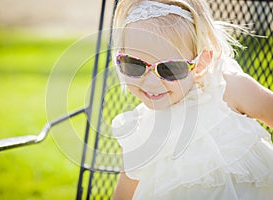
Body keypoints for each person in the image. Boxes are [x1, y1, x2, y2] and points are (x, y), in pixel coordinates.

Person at [110, 0, 273, 199]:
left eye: (169, 68)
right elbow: (124, 194)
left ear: (201, 62)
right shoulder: (141, 128)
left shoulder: (227, 90)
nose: (151, 83)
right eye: (134, 64)